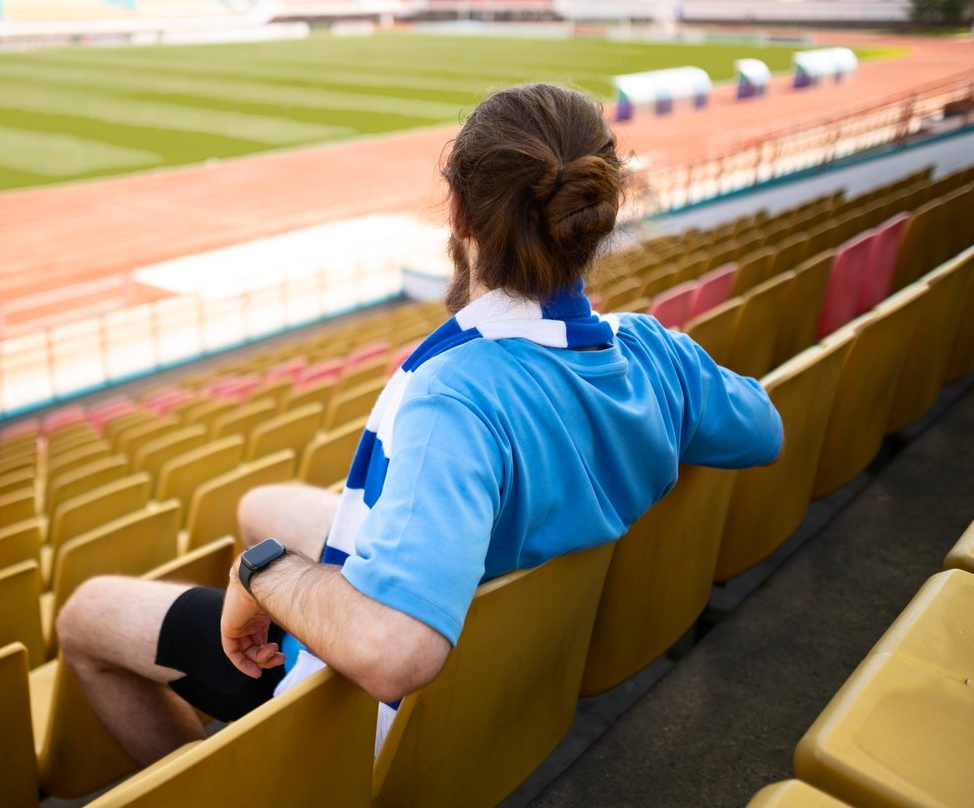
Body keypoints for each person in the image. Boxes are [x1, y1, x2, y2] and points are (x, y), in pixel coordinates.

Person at [55, 83, 783, 765]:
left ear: (461, 217)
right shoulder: (657, 349)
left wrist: (265, 575)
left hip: (356, 724)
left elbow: (399, 653)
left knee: (85, 616)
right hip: (519, 651)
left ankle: (230, 780)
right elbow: (764, 431)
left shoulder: (453, 397)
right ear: (600, 215)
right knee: (259, 505)